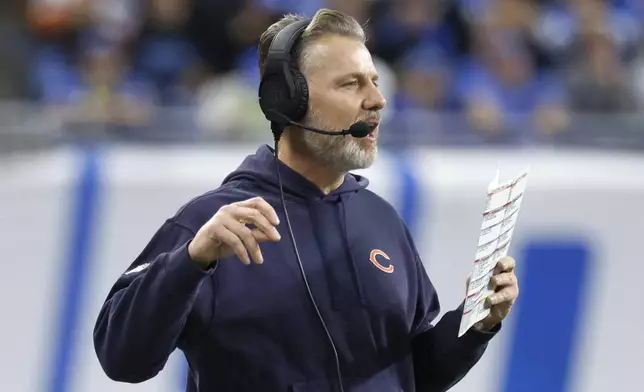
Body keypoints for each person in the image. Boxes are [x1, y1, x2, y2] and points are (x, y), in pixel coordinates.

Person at [93, 8, 520, 392]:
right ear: (288, 100)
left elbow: (410, 375)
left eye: (373, 81)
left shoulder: (381, 220)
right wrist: (190, 261)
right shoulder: (212, 224)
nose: (377, 99)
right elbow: (123, 359)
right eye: (351, 84)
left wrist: (475, 324)